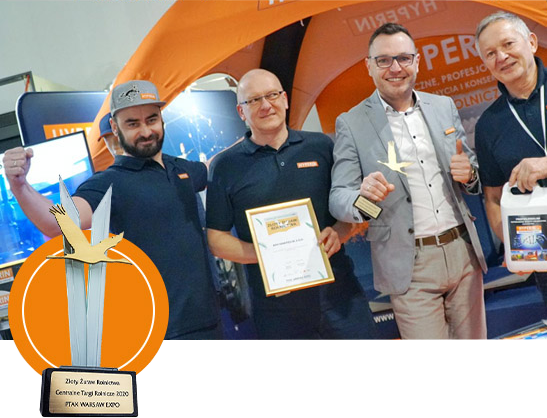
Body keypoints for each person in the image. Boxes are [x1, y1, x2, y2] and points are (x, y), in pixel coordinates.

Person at [2, 80, 222, 339]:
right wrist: (19, 185)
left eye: (151, 119)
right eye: (133, 124)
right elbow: (58, 223)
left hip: (211, 321)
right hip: (161, 333)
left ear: (161, 119)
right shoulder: (109, 182)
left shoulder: (181, 169)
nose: (146, 131)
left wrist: (254, 135)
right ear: (115, 128)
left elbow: (216, 167)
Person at [329, 23, 488, 340]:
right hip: (407, 264)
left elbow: (471, 172)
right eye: (384, 60)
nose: (395, 68)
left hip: (463, 252)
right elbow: (338, 197)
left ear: (417, 61)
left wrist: (470, 174)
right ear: (369, 66)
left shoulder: (442, 106)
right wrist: (364, 199)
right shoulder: (351, 123)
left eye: (403, 58)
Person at [206, 69, 377, 339]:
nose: (266, 105)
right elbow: (216, 239)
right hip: (276, 308)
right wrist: (268, 254)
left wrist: (340, 232)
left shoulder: (321, 146)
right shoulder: (225, 166)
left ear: (285, 99)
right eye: (254, 100)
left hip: (340, 294)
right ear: (241, 111)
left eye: (272, 95)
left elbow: (349, 211)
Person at [474, 11, 547, 306]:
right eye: (490, 53)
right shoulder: (488, 125)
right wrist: (518, 248)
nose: (501, 57)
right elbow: (493, 198)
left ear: (531, 42)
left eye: (507, 44)